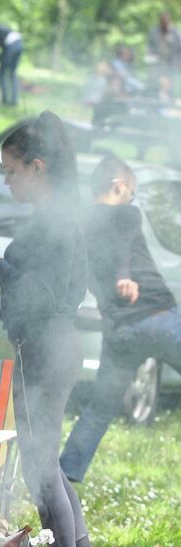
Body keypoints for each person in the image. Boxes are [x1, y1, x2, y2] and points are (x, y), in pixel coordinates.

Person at [0, 112, 111, 547]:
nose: (8, 182)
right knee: (46, 462)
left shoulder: (57, 221)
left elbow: (44, 293)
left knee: (39, 465)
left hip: (47, 346)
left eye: (11, 171)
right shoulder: (63, 217)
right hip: (55, 344)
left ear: (37, 165)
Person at [60, 156, 181, 483]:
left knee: (100, 409)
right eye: (131, 193)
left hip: (119, 331)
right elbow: (125, 237)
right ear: (118, 186)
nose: (132, 201)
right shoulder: (127, 214)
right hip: (158, 318)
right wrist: (124, 276)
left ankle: (66, 472)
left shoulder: (79, 224)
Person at [148, 13, 181, 98]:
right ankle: (157, 97)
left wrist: (179, 61)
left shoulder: (175, 32)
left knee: (171, 80)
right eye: (163, 21)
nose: (165, 23)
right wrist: (151, 58)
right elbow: (150, 46)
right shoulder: (155, 31)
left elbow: (179, 48)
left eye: (166, 21)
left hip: (172, 61)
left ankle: (171, 97)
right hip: (158, 61)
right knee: (157, 80)